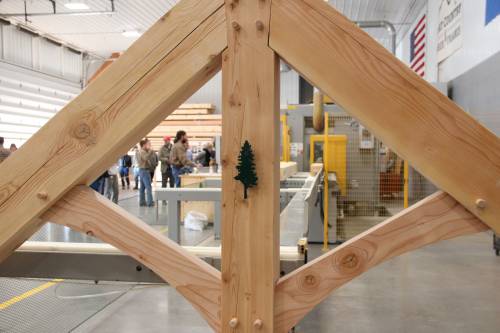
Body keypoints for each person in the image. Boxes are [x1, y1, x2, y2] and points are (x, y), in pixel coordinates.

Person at [138, 139, 155, 207]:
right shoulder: (142, 152)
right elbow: (145, 158)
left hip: (142, 171)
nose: (149, 145)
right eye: (148, 144)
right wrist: (150, 151)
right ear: (144, 145)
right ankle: (150, 203)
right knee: (148, 187)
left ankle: (142, 202)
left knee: (142, 188)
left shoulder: (143, 151)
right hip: (145, 171)